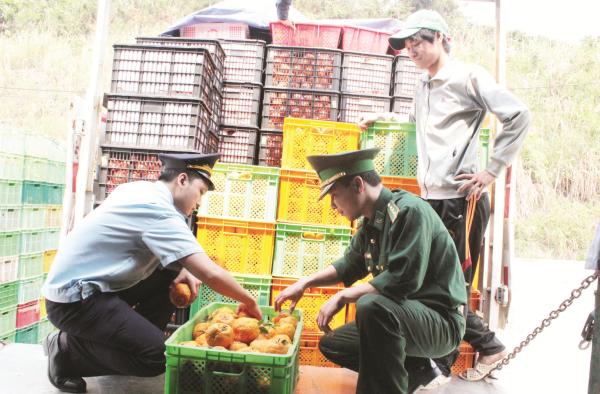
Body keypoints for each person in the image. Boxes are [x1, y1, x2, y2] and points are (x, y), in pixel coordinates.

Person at [359, 9, 531, 381]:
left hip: (460, 200)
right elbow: (418, 124)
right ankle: (450, 360)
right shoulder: (424, 85)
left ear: (441, 38)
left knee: (448, 290)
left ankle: (457, 361)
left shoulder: (468, 77)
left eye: (418, 40)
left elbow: (519, 115)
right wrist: (381, 117)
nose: (411, 49)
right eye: (406, 43)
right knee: (425, 283)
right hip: (432, 198)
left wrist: (491, 170)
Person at [41, 153, 263, 393]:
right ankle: (65, 350)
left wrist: (180, 269)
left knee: (171, 275)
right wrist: (248, 300)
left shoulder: (139, 190)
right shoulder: (158, 210)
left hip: (93, 288)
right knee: (158, 357)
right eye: (200, 192)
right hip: (75, 302)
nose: (199, 203)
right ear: (181, 180)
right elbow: (210, 273)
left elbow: (147, 247)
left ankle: (134, 342)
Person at [274, 148, 467, 394]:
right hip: (407, 319)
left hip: (440, 322)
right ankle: (418, 370)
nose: (333, 205)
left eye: (334, 195)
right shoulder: (371, 223)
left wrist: (344, 296)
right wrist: (304, 283)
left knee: (371, 306)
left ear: (357, 185)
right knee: (334, 344)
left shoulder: (409, 211)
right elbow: (347, 266)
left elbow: (402, 279)